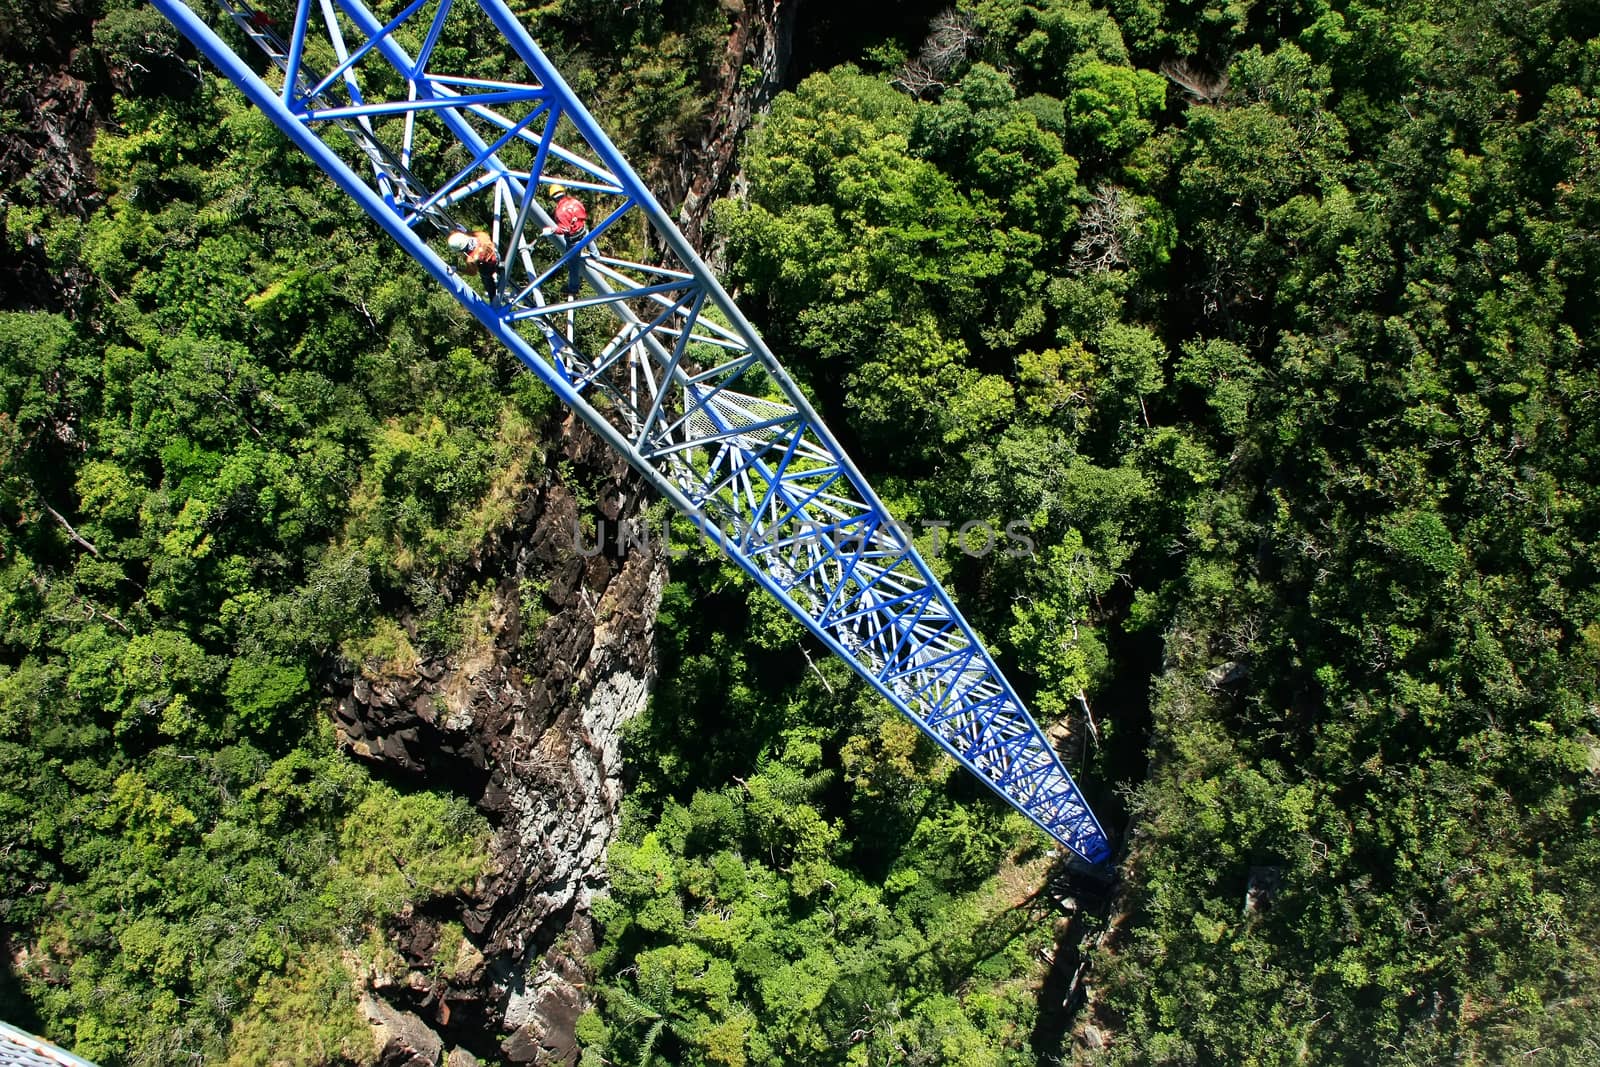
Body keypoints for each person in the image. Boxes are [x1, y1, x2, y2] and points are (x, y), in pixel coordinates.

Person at [540, 183, 588, 295]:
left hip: (574, 240)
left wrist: (552, 230)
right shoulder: (575, 202)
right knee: (589, 235)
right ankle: (595, 254)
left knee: (573, 265)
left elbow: (565, 229)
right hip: (584, 232)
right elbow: (583, 215)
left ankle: (573, 288)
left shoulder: (560, 212)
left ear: (553, 198)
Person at [447, 228, 499, 301]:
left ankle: (493, 298)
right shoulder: (482, 237)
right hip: (497, 258)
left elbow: (472, 272)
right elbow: (477, 234)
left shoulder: (471, 259)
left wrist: (457, 269)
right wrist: (467, 231)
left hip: (488, 271)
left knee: (487, 281)